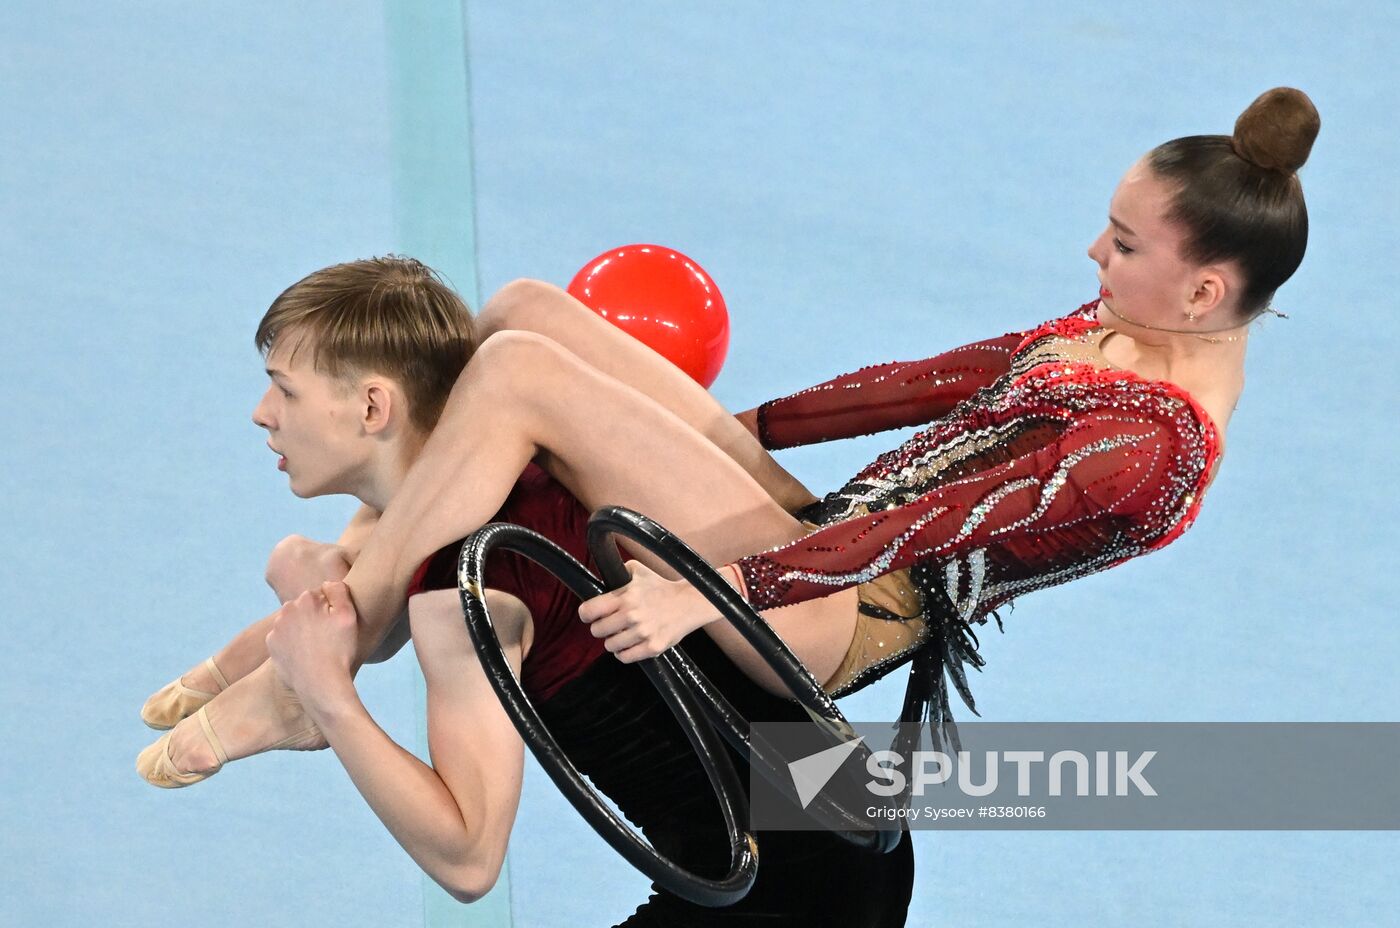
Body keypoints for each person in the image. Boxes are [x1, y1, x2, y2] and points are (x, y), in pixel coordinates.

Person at [142, 86, 1320, 790]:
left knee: (511, 378)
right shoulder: (1132, 327)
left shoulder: (1150, 449)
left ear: (1205, 291)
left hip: (829, 614)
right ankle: (357, 594)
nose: (1091, 258)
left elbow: (919, 525)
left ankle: (343, 646)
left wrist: (712, 595)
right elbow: (918, 388)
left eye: (1120, 244)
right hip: (815, 536)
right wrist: (707, 424)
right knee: (522, 313)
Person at [138, 257, 915, 925]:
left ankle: (304, 684)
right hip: (842, 815)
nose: (262, 414)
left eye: (285, 390)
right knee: (518, 316)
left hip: (793, 889)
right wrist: (298, 603)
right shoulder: (541, 459)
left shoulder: (464, 592)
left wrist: (328, 698)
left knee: (512, 353)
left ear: (374, 406)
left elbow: (470, 860)